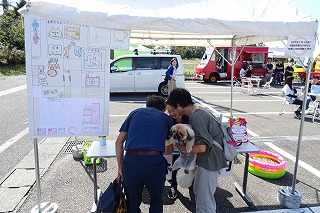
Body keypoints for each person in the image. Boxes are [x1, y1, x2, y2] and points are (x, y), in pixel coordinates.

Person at [166, 88, 228, 213]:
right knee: (199, 194)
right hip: (208, 161)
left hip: (209, 162)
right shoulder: (199, 112)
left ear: (178, 104)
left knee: (205, 202)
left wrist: (181, 147)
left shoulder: (196, 117)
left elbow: (201, 147)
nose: (172, 112)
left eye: (173, 108)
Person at [115, 95, 173, 213]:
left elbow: (119, 142)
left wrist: (120, 168)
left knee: (132, 202)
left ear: (147, 106)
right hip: (154, 163)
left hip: (131, 162)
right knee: (156, 200)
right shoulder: (166, 118)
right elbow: (170, 149)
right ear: (163, 109)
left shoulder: (134, 113)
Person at [165, 103, 189, 200]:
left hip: (190, 148)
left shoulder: (189, 117)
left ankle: (191, 186)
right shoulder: (169, 120)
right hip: (175, 149)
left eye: (172, 110)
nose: (171, 113)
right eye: (169, 111)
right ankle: (173, 187)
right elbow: (167, 135)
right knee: (174, 165)